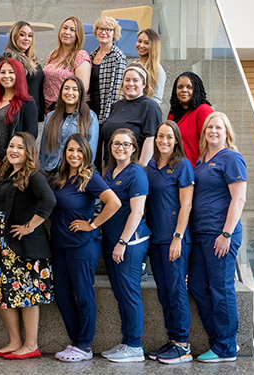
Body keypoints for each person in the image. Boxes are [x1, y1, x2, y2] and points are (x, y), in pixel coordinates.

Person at [0, 132, 56, 359]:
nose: (14, 150)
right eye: (11, 146)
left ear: (29, 152)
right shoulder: (5, 173)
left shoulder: (34, 175)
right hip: (2, 243)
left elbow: (49, 200)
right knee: (3, 292)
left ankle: (31, 345)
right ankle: (15, 341)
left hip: (24, 245)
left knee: (27, 294)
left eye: (20, 148)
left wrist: (30, 226)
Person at [50, 134, 120, 362]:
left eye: (79, 151)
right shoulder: (60, 178)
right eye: (70, 150)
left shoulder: (89, 177)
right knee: (61, 294)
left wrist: (92, 224)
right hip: (59, 245)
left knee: (83, 293)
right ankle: (76, 342)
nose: (74, 155)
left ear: (86, 154)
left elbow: (114, 203)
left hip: (82, 246)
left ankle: (84, 344)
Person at [188, 112, 247, 363]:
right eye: (209, 127)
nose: (213, 131)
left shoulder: (232, 158)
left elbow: (239, 198)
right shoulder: (202, 160)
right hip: (201, 235)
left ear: (226, 132)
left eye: (218, 128)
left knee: (221, 289)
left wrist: (226, 233)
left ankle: (226, 347)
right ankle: (217, 339)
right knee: (197, 286)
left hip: (221, 235)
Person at [145, 121, 194, 364]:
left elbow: (186, 205)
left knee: (176, 291)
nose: (164, 140)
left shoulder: (183, 166)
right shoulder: (150, 166)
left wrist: (178, 237)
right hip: (155, 240)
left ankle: (183, 345)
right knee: (164, 292)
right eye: (160, 136)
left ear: (176, 141)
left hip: (174, 240)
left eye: (169, 137)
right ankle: (173, 339)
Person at [100, 128, 151, 363]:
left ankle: (135, 346)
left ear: (134, 148)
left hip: (130, 242)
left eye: (126, 144)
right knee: (121, 294)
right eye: (116, 144)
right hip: (113, 242)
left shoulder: (136, 173)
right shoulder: (109, 172)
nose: (120, 148)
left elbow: (138, 211)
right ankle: (126, 341)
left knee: (130, 293)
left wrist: (123, 241)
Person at [0, 58, 38, 172]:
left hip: (11, 165)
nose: (6, 76)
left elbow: (31, 134)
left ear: (19, 75)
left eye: (11, 72)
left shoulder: (27, 102)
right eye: (3, 72)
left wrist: (3, 155)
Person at [101, 63, 161, 167]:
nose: (130, 84)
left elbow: (151, 139)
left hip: (132, 169)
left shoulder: (150, 106)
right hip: (110, 169)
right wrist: (103, 169)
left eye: (135, 80)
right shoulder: (116, 106)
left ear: (144, 84)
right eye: (127, 80)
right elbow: (106, 139)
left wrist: (140, 169)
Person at [88, 16, 127, 171]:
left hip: (107, 111)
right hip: (91, 109)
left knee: (104, 155)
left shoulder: (118, 56)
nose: (103, 32)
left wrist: (111, 116)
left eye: (108, 29)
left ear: (114, 33)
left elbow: (118, 91)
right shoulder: (92, 55)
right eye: (100, 28)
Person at [39, 76, 98, 174]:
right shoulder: (50, 116)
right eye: (66, 88)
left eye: (75, 89)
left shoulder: (90, 117)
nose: (70, 93)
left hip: (75, 173)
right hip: (50, 171)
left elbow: (91, 150)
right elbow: (43, 149)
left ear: (81, 93)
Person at [43, 16, 91, 111]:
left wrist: (66, 109)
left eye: (72, 30)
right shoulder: (53, 54)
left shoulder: (81, 55)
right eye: (65, 28)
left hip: (69, 109)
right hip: (50, 109)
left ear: (78, 35)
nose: (67, 32)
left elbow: (83, 88)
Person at [1, 21, 45, 122]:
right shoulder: (8, 58)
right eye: (22, 35)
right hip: (18, 112)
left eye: (30, 36)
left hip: (33, 111)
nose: (26, 39)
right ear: (14, 36)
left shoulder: (32, 58)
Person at [168, 71, 214, 166]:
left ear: (196, 89)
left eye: (189, 87)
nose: (184, 90)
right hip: (174, 169)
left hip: (195, 170)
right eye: (180, 87)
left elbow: (211, 144)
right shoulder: (173, 113)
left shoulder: (203, 110)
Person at [135, 28, 166, 105]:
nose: (141, 45)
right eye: (139, 41)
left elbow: (156, 98)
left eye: (146, 43)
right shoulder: (133, 65)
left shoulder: (158, 70)